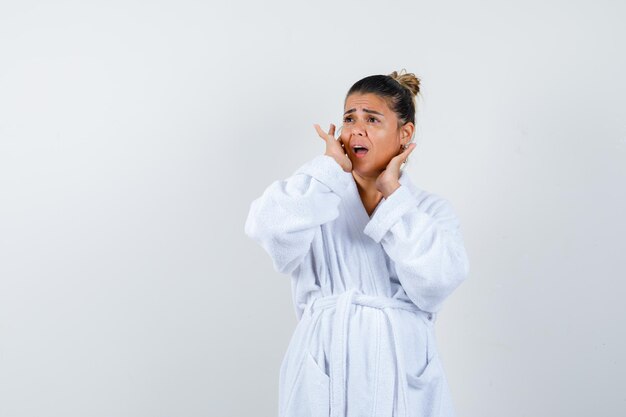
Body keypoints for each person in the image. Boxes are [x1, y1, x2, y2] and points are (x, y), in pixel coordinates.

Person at [244, 69, 470, 417]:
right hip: (326, 366)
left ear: (404, 133)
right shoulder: (318, 198)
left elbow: (437, 282)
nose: (356, 129)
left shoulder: (427, 209)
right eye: (349, 118)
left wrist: (393, 197)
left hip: (402, 376)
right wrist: (327, 170)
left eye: (372, 119)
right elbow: (268, 228)